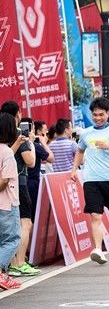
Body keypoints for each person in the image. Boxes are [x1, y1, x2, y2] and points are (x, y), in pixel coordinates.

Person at [70, 97, 109, 265]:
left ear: (108, 114)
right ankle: (98, 249)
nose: (98, 118)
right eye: (95, 115)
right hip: (91, 180)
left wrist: (108, 147)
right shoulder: (86, 133)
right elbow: (80, 151)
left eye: (101, 115)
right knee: (95, 215)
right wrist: (74, 169)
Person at [1, 102, 37, 277]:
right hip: (13, 192)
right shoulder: (16, 141)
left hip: (11, 190)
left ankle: (10, 267)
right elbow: (30, 162)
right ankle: (16, 264)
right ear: (18, 114)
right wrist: (30, 143)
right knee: (19, 230)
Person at [0, 113, 22, 290]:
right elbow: (5, 180)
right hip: (7, 203)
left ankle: (3, 275)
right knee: (12, 239)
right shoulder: (6, 152)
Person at [23, 119, 54, 224]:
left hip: (19, 183)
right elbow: (51, 158)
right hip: (32, 184)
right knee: (32, 217)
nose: (47, 133)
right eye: (45, 131)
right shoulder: (35, 146)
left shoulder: (15, 145)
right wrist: (44, 143)